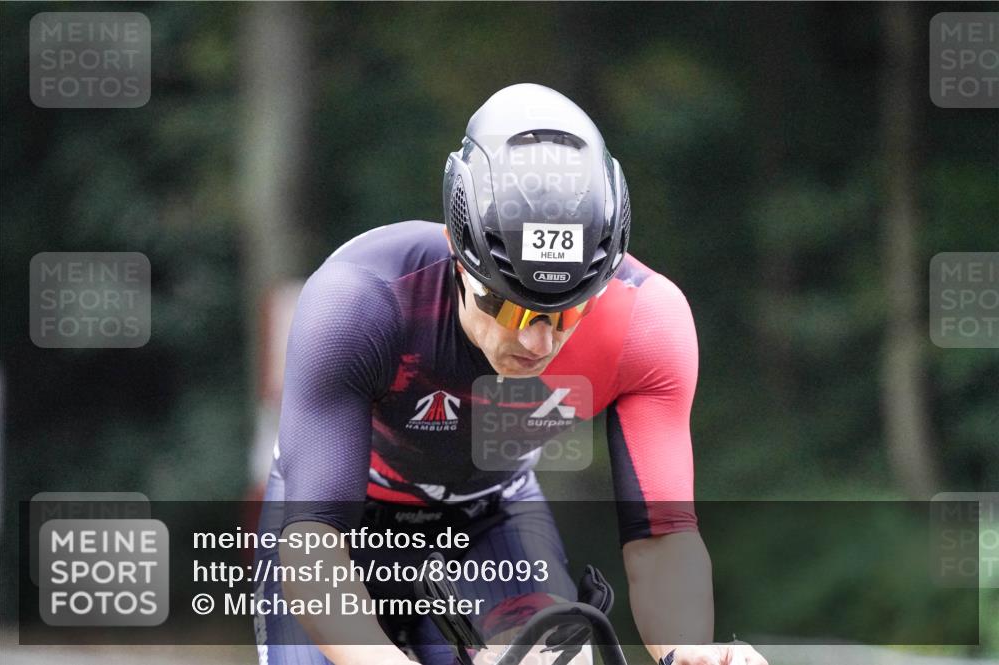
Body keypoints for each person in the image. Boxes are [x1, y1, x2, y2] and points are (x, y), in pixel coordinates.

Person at [254, 83, 768, 665]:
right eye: (510, 306)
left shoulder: (645, 324)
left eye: (566, 312)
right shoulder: (361, 304)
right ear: (456, 248)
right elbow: (315, 540)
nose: (537, 342)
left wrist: (687, 653)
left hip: (491, 516)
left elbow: (661, 535)